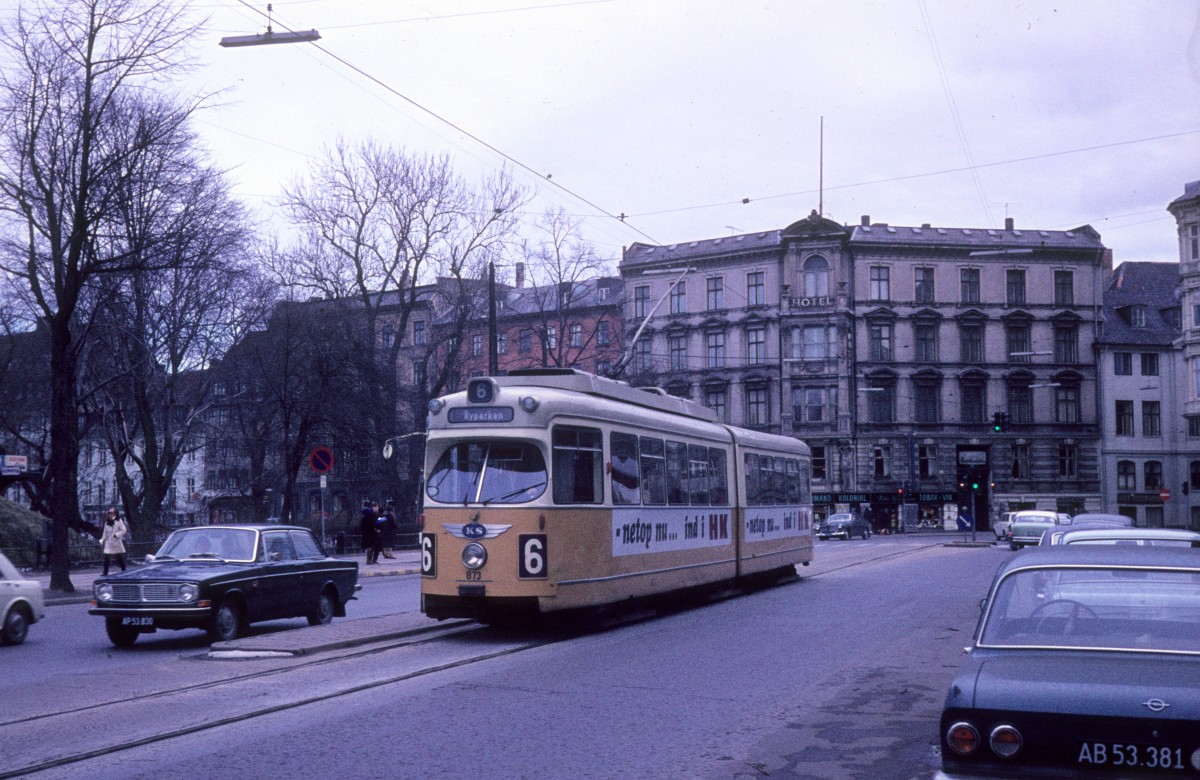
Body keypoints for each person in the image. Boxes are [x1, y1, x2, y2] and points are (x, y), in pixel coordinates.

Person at [100, 507, 128, 575]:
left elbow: (124, 530)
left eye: (111, 513)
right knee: (106, 557)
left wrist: (116, 535)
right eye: (109, 513)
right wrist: (102, 539)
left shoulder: (119, 521)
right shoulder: (107, 522)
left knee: (119, 557)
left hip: (116, 542)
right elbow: (105, 533)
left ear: (115, 513)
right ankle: (105, 572)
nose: (110, 514)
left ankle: (124, 570)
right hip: (108, 542)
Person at [360, 500, 381, 565]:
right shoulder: (371, 516)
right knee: (370, 546)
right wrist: (376, 528)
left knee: (371, 546)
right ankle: (369, 560)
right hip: (370, 533)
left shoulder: (367, 516)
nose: (377, 508)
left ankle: (370, 560)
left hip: (368, 533)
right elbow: (373, 524)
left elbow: (362, 525)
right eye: (376, 507)